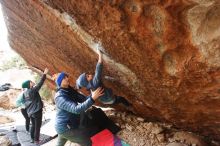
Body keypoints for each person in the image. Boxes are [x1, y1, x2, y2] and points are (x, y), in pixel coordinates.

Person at [53, 72, 104, 146]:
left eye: (66, 76)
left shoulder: (69, 90)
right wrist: (92, 98)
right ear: (60, 82)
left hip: (64, 126)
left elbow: (83, 99)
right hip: (65, 127)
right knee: (86, 142)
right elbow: (76, 109)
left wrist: (93, 94)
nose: (67, 78)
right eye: (64, 78)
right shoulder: (60, 97)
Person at [22, 68, 48, 144]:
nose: (32, 82)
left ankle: (32, 139)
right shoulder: (32, 90)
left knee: (33, 125)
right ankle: (37, 140)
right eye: (30, 82)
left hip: (30, 112)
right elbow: (40, 83)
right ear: (28, 85)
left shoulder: (25, 93)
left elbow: (25, 102)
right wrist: (45, 74)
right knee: (37, 126)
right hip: (37, 111)